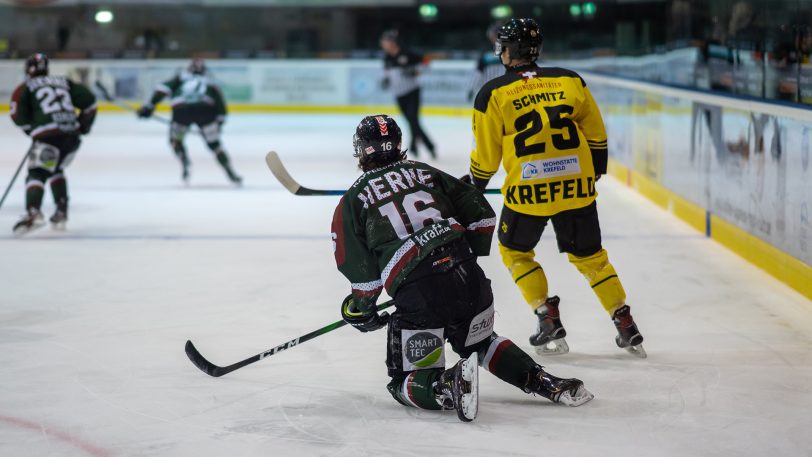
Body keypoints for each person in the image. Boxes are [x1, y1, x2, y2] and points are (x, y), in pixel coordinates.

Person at [331, 114, 593, 422]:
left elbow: (363, 277)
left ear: (363, 150)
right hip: (468, 278)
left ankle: (447, 385)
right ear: (398, 144)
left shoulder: (352, 200)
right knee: (480, 341)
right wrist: (457, 258)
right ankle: (547, 383)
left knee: (403, 381)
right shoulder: (425, 172)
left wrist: (361, 309)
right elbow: (482, 216)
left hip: (421, 296)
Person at [468, 18, 646, 358]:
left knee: (515, 252)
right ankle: (624, 321)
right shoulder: (569, 79)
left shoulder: (492, 92)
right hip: (576, 186)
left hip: (528, 192)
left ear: (507, 51)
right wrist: (591, 176)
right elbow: (596, 134)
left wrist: (474, 187)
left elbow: (487, 158)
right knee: (592, 258)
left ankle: (545, 314)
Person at [9, 53, 97, 235]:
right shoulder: (64, 82)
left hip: (48, 136)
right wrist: (83, 125)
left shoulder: (25, 87)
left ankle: (33, 212)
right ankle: (61, 211)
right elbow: (90, 102)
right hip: (71, 136)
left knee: (37, 173)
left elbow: (17, 114)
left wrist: (31, 130)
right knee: (56, 169)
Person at [137, 58, 241, 185]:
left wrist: (149, 106)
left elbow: (162, 89)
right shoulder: (210, 82)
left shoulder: (181, 78)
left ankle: (184, 159)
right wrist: (217, 125)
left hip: (182, 112)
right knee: (215, 145)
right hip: (205, 112)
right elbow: (221, 108)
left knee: (176, 140)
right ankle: (230, 171)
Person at [380, 30, 436, 159]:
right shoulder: (387, 57)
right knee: (412, 121)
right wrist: (386, 79)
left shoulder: (407, 53)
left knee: (412, 119)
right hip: (398, 94)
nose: (383, 44)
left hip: (412, 92)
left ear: (392, 42)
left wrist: (416, 71)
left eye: (385, 41)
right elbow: (387, 72)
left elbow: (427, 60)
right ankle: (422, 145)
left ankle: (422, 145)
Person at [468, 22, 506, 102]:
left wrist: (472, 89)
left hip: (495, 90)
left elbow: (478, 73)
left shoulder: (487, 53)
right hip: (500, 90)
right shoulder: (509, 51)